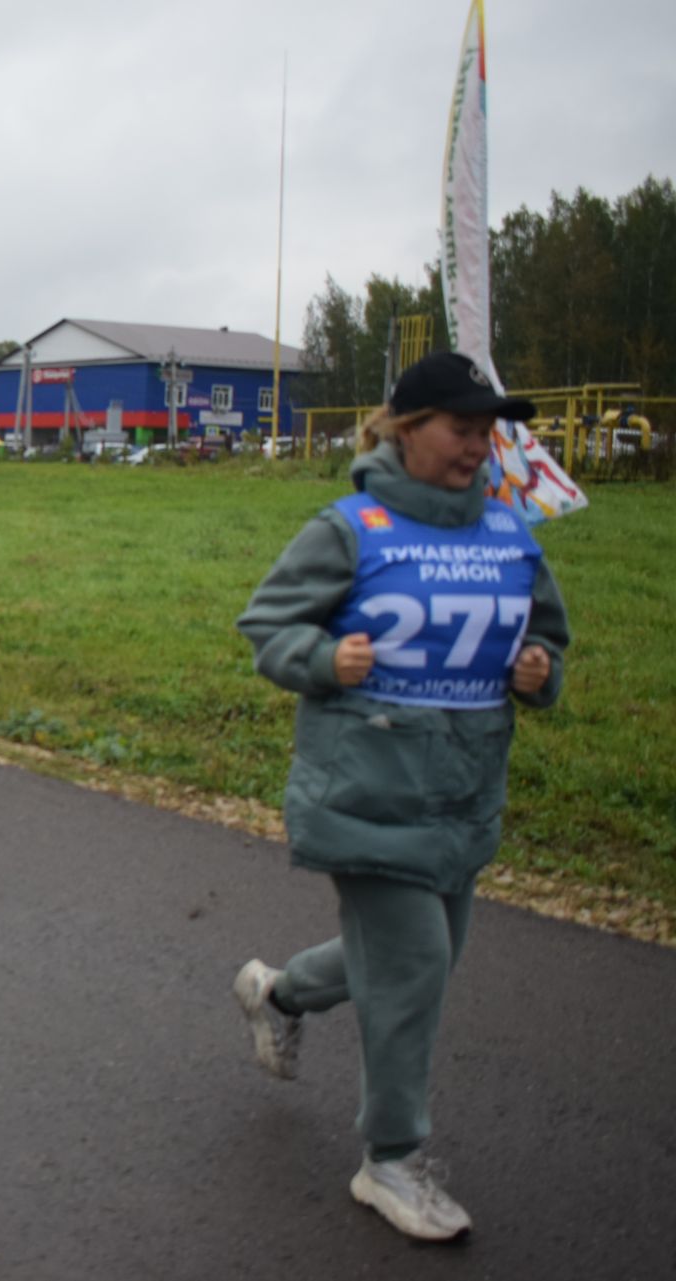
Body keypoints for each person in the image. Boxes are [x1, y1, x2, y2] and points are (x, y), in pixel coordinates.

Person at [232, 350, 571, 1242]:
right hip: (367, 794)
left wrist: (540, 673)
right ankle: (390, 1160)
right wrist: (322, 660)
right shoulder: (354, 528)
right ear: (407, 429)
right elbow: (269, 622)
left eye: (487, 430)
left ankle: (279, 994)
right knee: (414, 961)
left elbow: (547, 642)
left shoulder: (508, 532)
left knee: (421, 955)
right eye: (462, 428)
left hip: (462, 796)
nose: (478, 445)